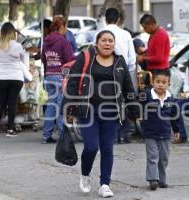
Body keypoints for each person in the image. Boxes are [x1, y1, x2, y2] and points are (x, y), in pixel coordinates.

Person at [63, 30, 137, 198]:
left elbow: (128, 87)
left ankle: (105, 184)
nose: (107, 43)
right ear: (97, 43)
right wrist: (68, 107)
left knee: (107, 148)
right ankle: (85, 175)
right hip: (88, 110)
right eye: (104, 40)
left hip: (111, 112)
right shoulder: (85, 58)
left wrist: (134, 109)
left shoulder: (119, 61)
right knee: (91, 147)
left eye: (111, 40)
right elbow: (73, 83)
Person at [102, 8, 137, 144]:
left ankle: (111, 134)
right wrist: (128, 73)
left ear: (105, 18)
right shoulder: (126, 34)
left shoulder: (99, 33)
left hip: (104, 72)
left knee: (108, 102)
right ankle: (124, 135)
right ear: (118, 19)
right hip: (123, 72)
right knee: (126, 101)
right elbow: (132, 58)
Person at [139, 69, 179, 190]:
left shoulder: (170, 99)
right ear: (152, 82)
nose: (160, 84)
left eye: (164, 82)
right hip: (150, 133)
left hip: (165, 133)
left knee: (163, 157)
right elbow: (137, 108)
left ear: (169, 84)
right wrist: (139, 119)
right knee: (153, 156)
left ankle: (162, 179)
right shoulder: (146, 96)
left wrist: (176, 130)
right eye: (157, 81)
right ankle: (153, 179)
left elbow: (174, 116)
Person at [41, 16, 75, 144]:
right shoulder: (63, 41)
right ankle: (62, 135)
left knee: (51, 105)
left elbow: (44, 59)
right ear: (62, 27)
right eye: (65, 27)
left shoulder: (46, 41)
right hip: (60, 77)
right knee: (61, 106)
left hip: (49, 76)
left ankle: (46, 135)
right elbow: (70, 59)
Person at [0, 22, 26, 137]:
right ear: (12, 33)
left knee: (1, 103)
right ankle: (10, 130)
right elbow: (22, 58)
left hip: (1, 77)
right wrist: (20, 35)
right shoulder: (17, 45)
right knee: (12, 103)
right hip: (16, 77)